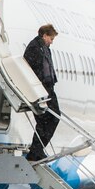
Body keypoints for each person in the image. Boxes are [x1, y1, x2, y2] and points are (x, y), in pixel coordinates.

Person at [23, 24, 61, 162]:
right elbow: (31, 69)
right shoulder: (34, 48)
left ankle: (37, 149)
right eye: (51, 38)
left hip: (48, 89)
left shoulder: (45, 48)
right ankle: (36, 151)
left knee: (54, 118)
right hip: (40, 90)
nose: (51, 41)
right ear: (44, 35)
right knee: (44, 120)